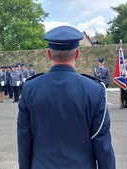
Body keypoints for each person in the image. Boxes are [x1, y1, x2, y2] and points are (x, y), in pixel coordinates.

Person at [17, 26, 115, 169]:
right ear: (77, 54)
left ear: (49, 54)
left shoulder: (30, 88)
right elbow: (102, 144)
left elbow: (24, 139)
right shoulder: (95, 90)